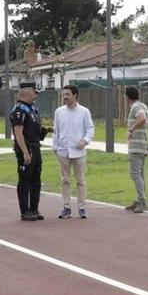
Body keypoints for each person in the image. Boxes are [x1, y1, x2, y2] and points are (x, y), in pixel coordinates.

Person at [51, 84, 94, 220]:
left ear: (75, 95)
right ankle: (66, 207)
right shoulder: (59, 112)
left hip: (79, 152)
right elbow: (55, 130)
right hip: (63, 151)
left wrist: (85, 140)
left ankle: (82, 208)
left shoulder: (84, 111)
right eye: (64, 94)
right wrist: (55, 147)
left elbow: (90, 129)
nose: (65, 97)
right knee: (65, 180)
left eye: (68, 94)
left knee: (80, 181)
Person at [9, 82, 45, 221]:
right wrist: (24, 152)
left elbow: (36, 130)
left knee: (36, 179)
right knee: (25, 180)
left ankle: (34, 209)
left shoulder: (33, 109)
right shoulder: (19, 110)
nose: (36, 95)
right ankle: (25, 211)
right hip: (26, 148)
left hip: (36, 148)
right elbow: (18, 133)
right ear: (29, 92)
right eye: (35, 92)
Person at [124, 84, 148, 213]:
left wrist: (131, 130)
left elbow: (142, 118)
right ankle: (140, 199)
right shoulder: (143, 105)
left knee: (135, 174)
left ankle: (142, 201)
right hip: (143, 145)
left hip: (137, 146)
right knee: (140, 174)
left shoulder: (136, 107)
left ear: (127, 96)